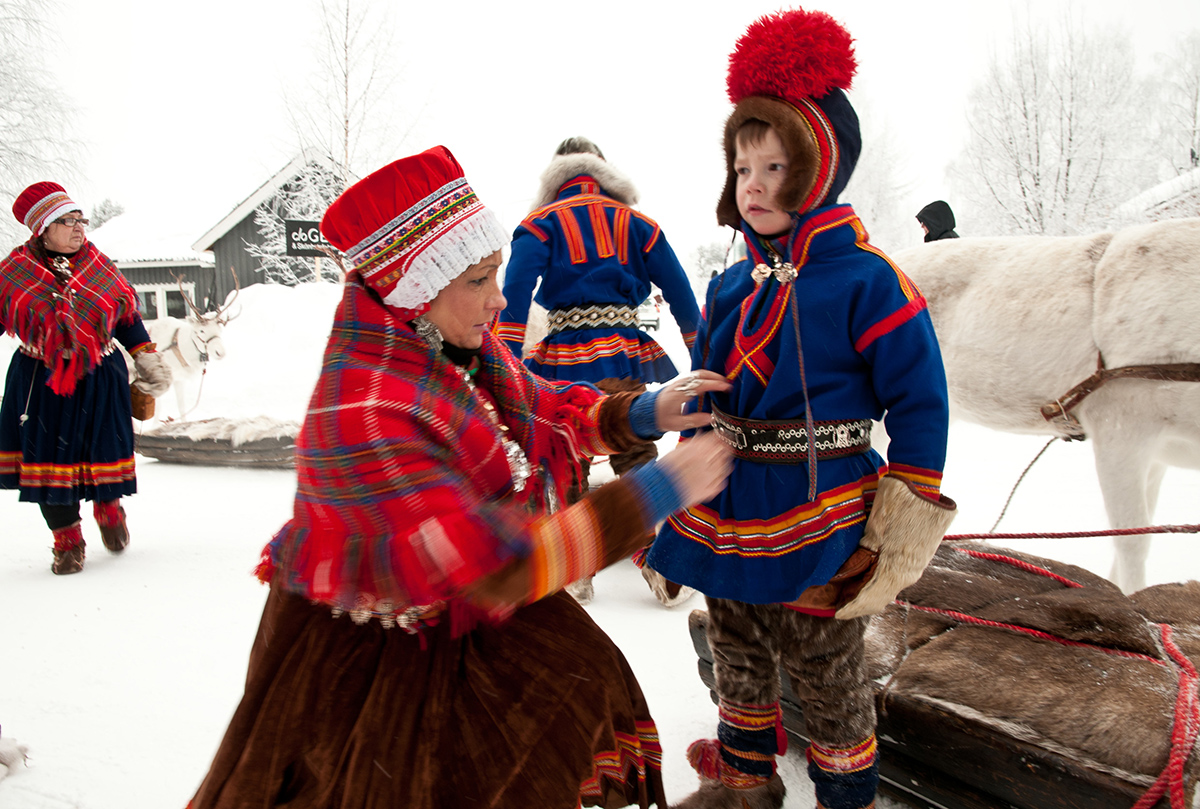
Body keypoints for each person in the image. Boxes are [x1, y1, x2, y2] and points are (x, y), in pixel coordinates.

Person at [187, 146, 734, 809]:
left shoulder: (452, 347)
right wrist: (659, 489)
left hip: (462, 602)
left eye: (496, 275)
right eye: (479, 280)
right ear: (417, 284)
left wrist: (648, 409)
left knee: (573, 686)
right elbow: (496, 567)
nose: (499, 300)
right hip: (374, 652)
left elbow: (543, 411)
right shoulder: (370, 411)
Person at [646, 11, 957, 809]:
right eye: (742, 165)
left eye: (774, 165)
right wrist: (685, 437)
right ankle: (745, 785)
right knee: (739, 649)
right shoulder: (729, 281)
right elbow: (708, 380)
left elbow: (920, 399)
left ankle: (843, 798)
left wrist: (899, 523)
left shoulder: (869, 281)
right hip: (732, 498)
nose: (752, 183)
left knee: (825, 667)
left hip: (825, 506)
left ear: (817, 170)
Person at [495, 137, 704, 605]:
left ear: (557, 174)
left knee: (569, 448)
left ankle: (575, 570)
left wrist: (503, 364)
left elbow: (515, 294)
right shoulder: (638, 224)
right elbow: (680, 291)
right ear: (602, 171)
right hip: (625, 351)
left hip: (565, 355)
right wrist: (702, 353)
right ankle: (656, 561)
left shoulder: (540, 223)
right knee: (633, 444)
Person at [0, 182, 171, 575]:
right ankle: (67, 541)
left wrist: (145, 356)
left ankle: (109, 510)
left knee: (102, 451)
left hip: (100, 378)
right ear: (42, 227)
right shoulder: (14, 273)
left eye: (81, 220)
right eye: (66, 221)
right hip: (40, 383)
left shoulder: (100, 266)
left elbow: (126, 317)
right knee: (48, 461)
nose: (79, 228)